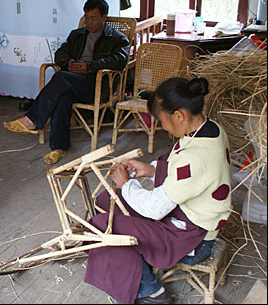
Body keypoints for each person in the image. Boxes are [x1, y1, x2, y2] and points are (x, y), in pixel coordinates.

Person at [84, 77, 232, 304]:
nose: (161, 126)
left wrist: (126, 184)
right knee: (107, 201)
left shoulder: (196, 157)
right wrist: (150, 170)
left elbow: (155, 208)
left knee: (105, 225)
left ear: (179, 116)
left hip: (192, 238)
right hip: (189, 216)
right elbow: (186, 175)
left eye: (161, 121)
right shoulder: (209, 130)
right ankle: (129, 261)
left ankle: (150, 292)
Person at [3, 0, 129, 165]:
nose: (88, 22)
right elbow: (60, 54)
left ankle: (32, 119)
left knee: (61, 78)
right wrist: (68, 63)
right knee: (63, 97)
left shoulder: (117, 39)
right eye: (86, 18)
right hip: (73, 79)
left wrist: (89, 66)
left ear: (104, 17)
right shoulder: (76, 35)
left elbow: (119, 61)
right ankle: (59, 148)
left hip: (97, 85)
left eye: (92, 18)